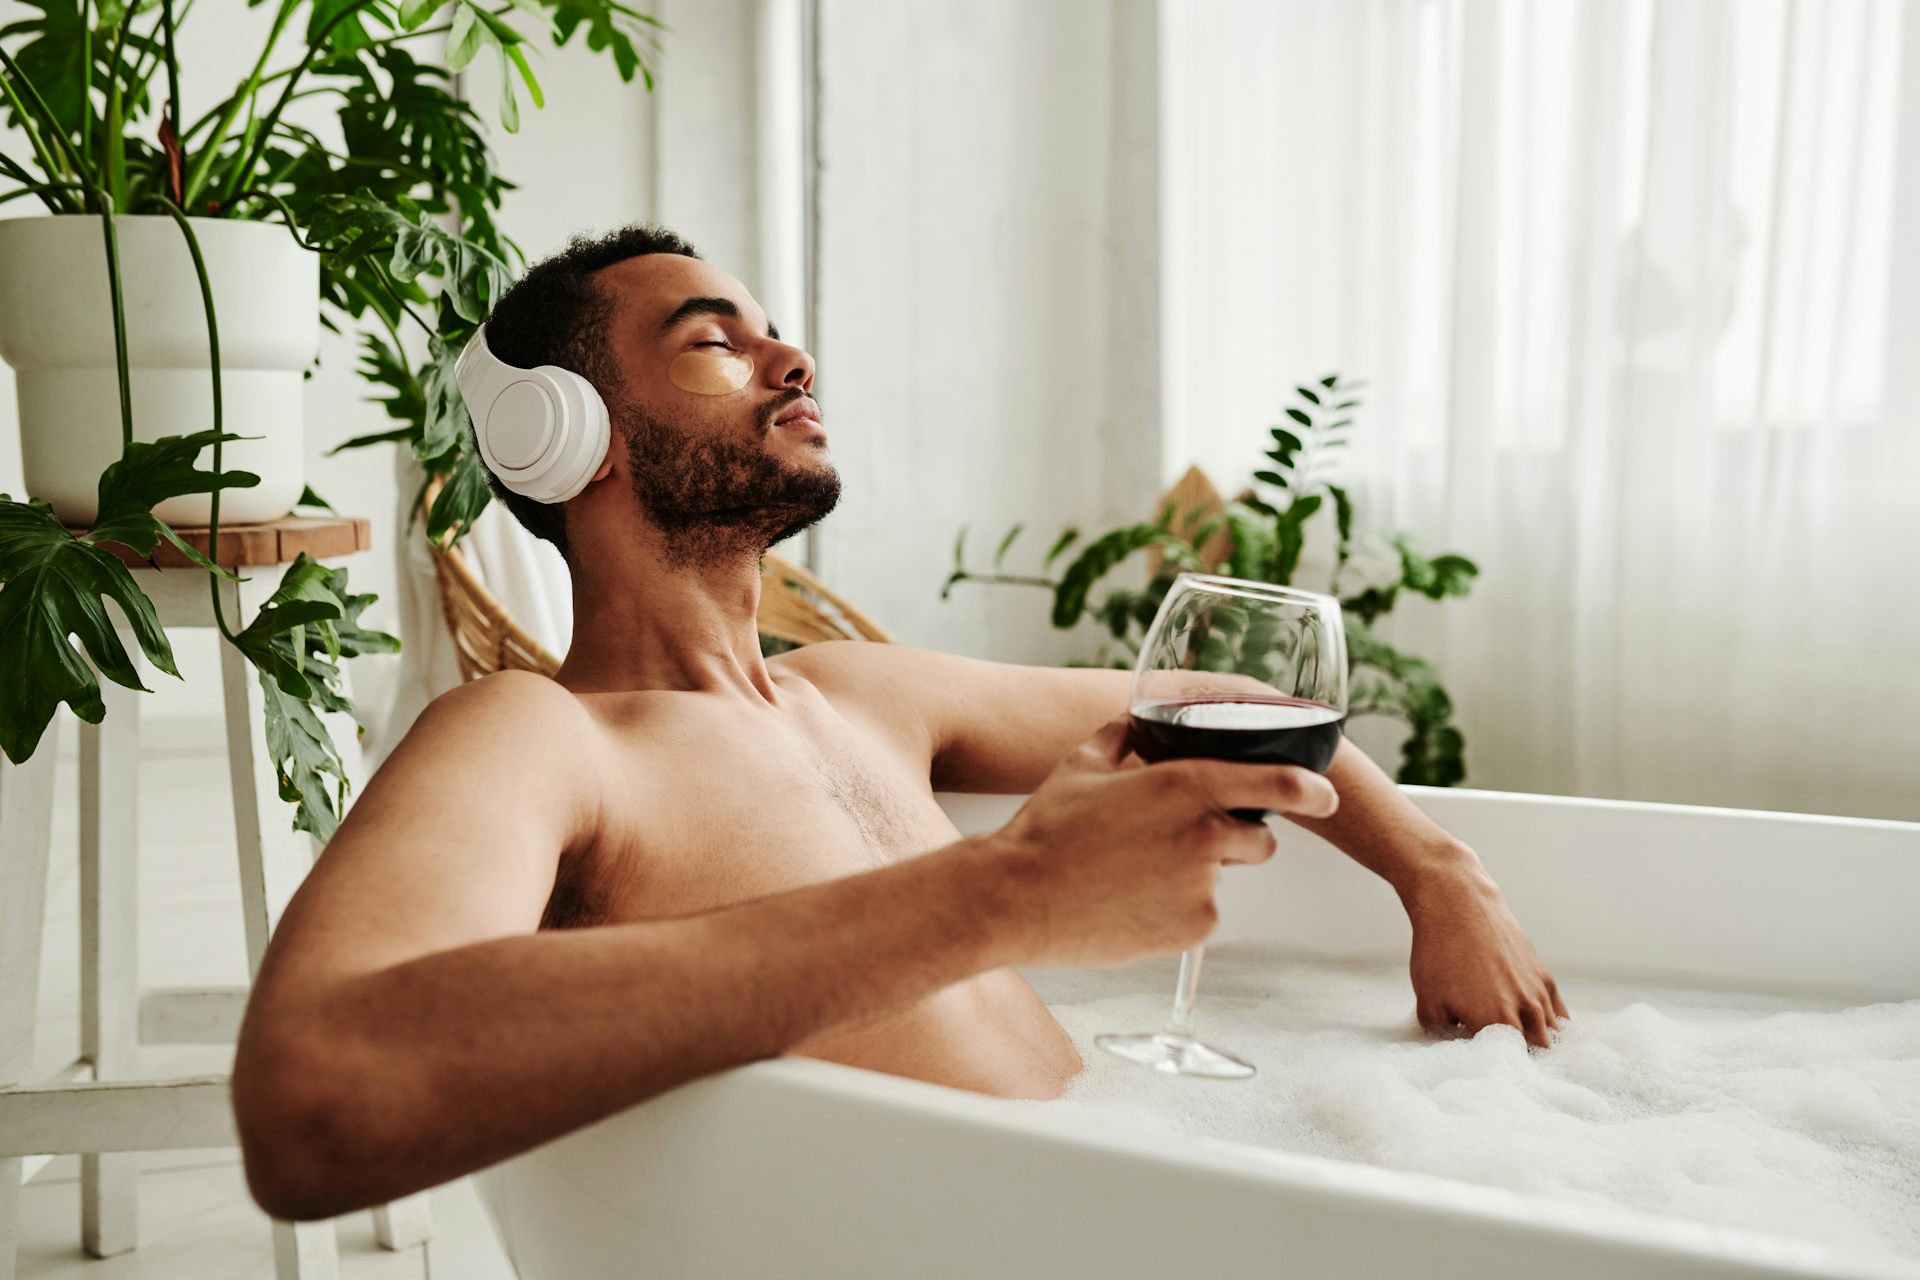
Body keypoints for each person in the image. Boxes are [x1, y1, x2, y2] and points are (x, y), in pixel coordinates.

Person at [232, 225, 1565, 1222]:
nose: (790, 356)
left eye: (774, 331)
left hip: (1141, 1184)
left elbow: (1253, 715)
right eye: (713, 339)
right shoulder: (539, 736)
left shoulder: (863, 692)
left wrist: (1445, 879)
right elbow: (316, 1093)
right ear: (565, 433)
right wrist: (1016, 892)